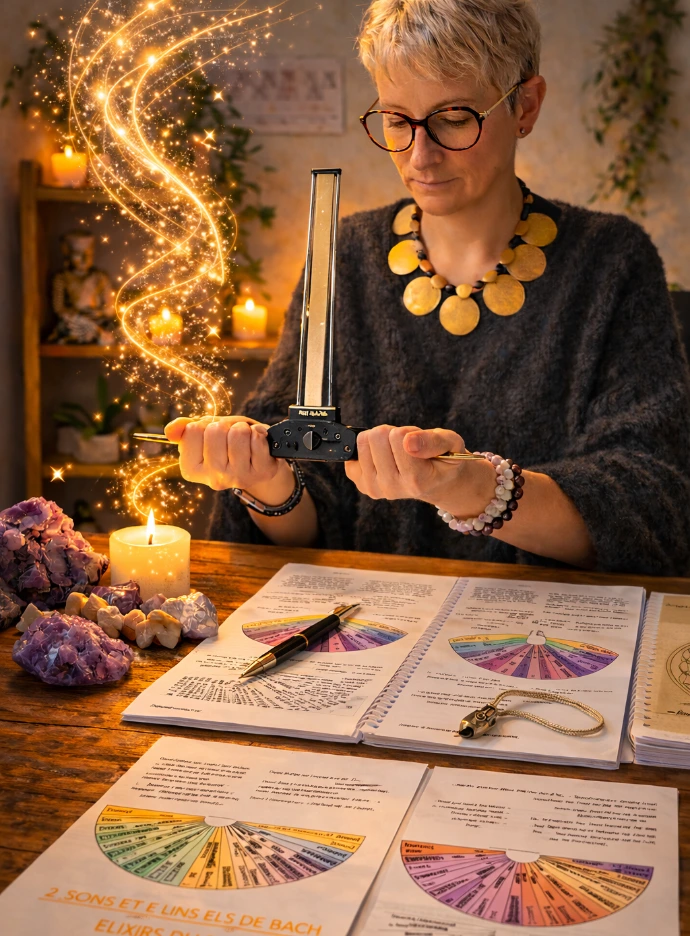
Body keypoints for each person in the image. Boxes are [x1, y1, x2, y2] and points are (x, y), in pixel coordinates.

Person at [166, 0, 690, 576]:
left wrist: (479, 490)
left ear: (526, 105)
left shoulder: (612, 262)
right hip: (366, 634)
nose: (420, 155)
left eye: (454, 118)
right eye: (396, 120)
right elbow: (304, 522)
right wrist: (267, 483)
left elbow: (650, 502)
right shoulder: (345, 253)